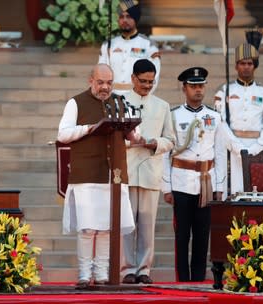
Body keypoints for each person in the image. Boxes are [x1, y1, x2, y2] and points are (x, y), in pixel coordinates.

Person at [57, 63, 135, 289]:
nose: (105, 87)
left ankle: (101, 274)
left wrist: (135, 134)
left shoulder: (120, 102)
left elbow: (131, 134)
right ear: (90, 80)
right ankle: (84, 274)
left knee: (106, 229)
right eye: (100, 82)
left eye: (109, 83)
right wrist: (89, 128)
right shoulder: (76, 102)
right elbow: (62, 134)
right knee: (88, 228)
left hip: (114, 174)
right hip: (87, 174)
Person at [162, 67, 226, 282]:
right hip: (181, 182)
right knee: (182, 236)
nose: (198, 90)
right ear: (184, 88)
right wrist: (166, 187)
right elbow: (166, 154)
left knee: (202, 235)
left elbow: (219, 152)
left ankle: (198, 280)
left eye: (201, 86)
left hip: (206, 182)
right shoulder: (173, 115)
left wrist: (220, 187)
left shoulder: (214, 116)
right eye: (193, 86)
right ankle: (183, 279)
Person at [121, 59, 175, 284]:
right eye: (143, 81)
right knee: (126, 225)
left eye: (151, 82)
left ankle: (144, 269)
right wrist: (130, 141)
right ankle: (126, 269)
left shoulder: (162, 106)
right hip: (126, 169)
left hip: (151, 170)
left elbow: (171, 140)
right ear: (133, 78)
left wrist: (154, 143)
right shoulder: (120, 101)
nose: (146, 86)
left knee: (147, 224)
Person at [214, 43, 263, 196]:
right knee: (234, 192)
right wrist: (236, 146)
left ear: (254, 66)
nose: (246, 67)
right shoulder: (224, 91)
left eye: (250, 63)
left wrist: (257, 148)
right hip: (232, 148)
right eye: (242, 63)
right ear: (236, 66)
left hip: (258, 149)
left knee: (256, 194)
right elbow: (221, 122)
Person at [98, 0, 160, 97]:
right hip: (111, 97)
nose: (125, 20)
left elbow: (154, 76)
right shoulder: (108, 45)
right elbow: (100, 73)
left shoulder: (148, 45)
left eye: (129, 17)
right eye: (122, 17)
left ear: (136, 19)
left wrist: (140, 97)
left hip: (137, 97)